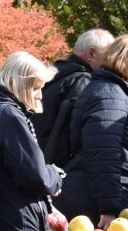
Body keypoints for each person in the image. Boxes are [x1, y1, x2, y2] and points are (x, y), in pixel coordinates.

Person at [57, 35, 128, 221]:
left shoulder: (115, 93)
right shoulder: (109, 96)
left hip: (121, 200)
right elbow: (103, 156)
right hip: (106, 207)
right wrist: (108, 208)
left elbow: (125, 153)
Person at [0, 51, 64, 231]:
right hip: (13, 221)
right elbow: (36, 176)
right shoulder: (9, 115)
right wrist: (56, 175)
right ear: (19, 83)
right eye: (36, 88)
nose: (39, 95)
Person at [36, 28, 113, 162]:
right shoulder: (83, 81)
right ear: (91, 53)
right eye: (108, 56)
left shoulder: (52, 76)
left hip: (39, 159)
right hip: (60, 167)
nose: (111, 63)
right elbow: (73, 133)